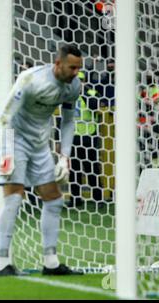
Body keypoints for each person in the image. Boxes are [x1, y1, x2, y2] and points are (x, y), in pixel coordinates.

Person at [0, 44, 84, 276]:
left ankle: (51, 263)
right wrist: (6, 153)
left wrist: (65, 156)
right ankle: (2, 262)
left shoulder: (73, 86)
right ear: (58, 64)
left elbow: (67, 121)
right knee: (13, 199)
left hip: (40, 146)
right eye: (72, 67)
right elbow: (5, 116)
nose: (76, 72)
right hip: (14, 142)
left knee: (54, 200)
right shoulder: (31, 80)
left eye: (78, 68)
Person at [67, 71, 104, 207]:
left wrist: (83, 92)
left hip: (89, 135)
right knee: (74, 171)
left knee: (92, 169)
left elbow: (95, 107)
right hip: (73, 136)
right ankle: (75, 199)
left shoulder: (92, 93)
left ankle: (98, 199)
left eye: (80, 80)